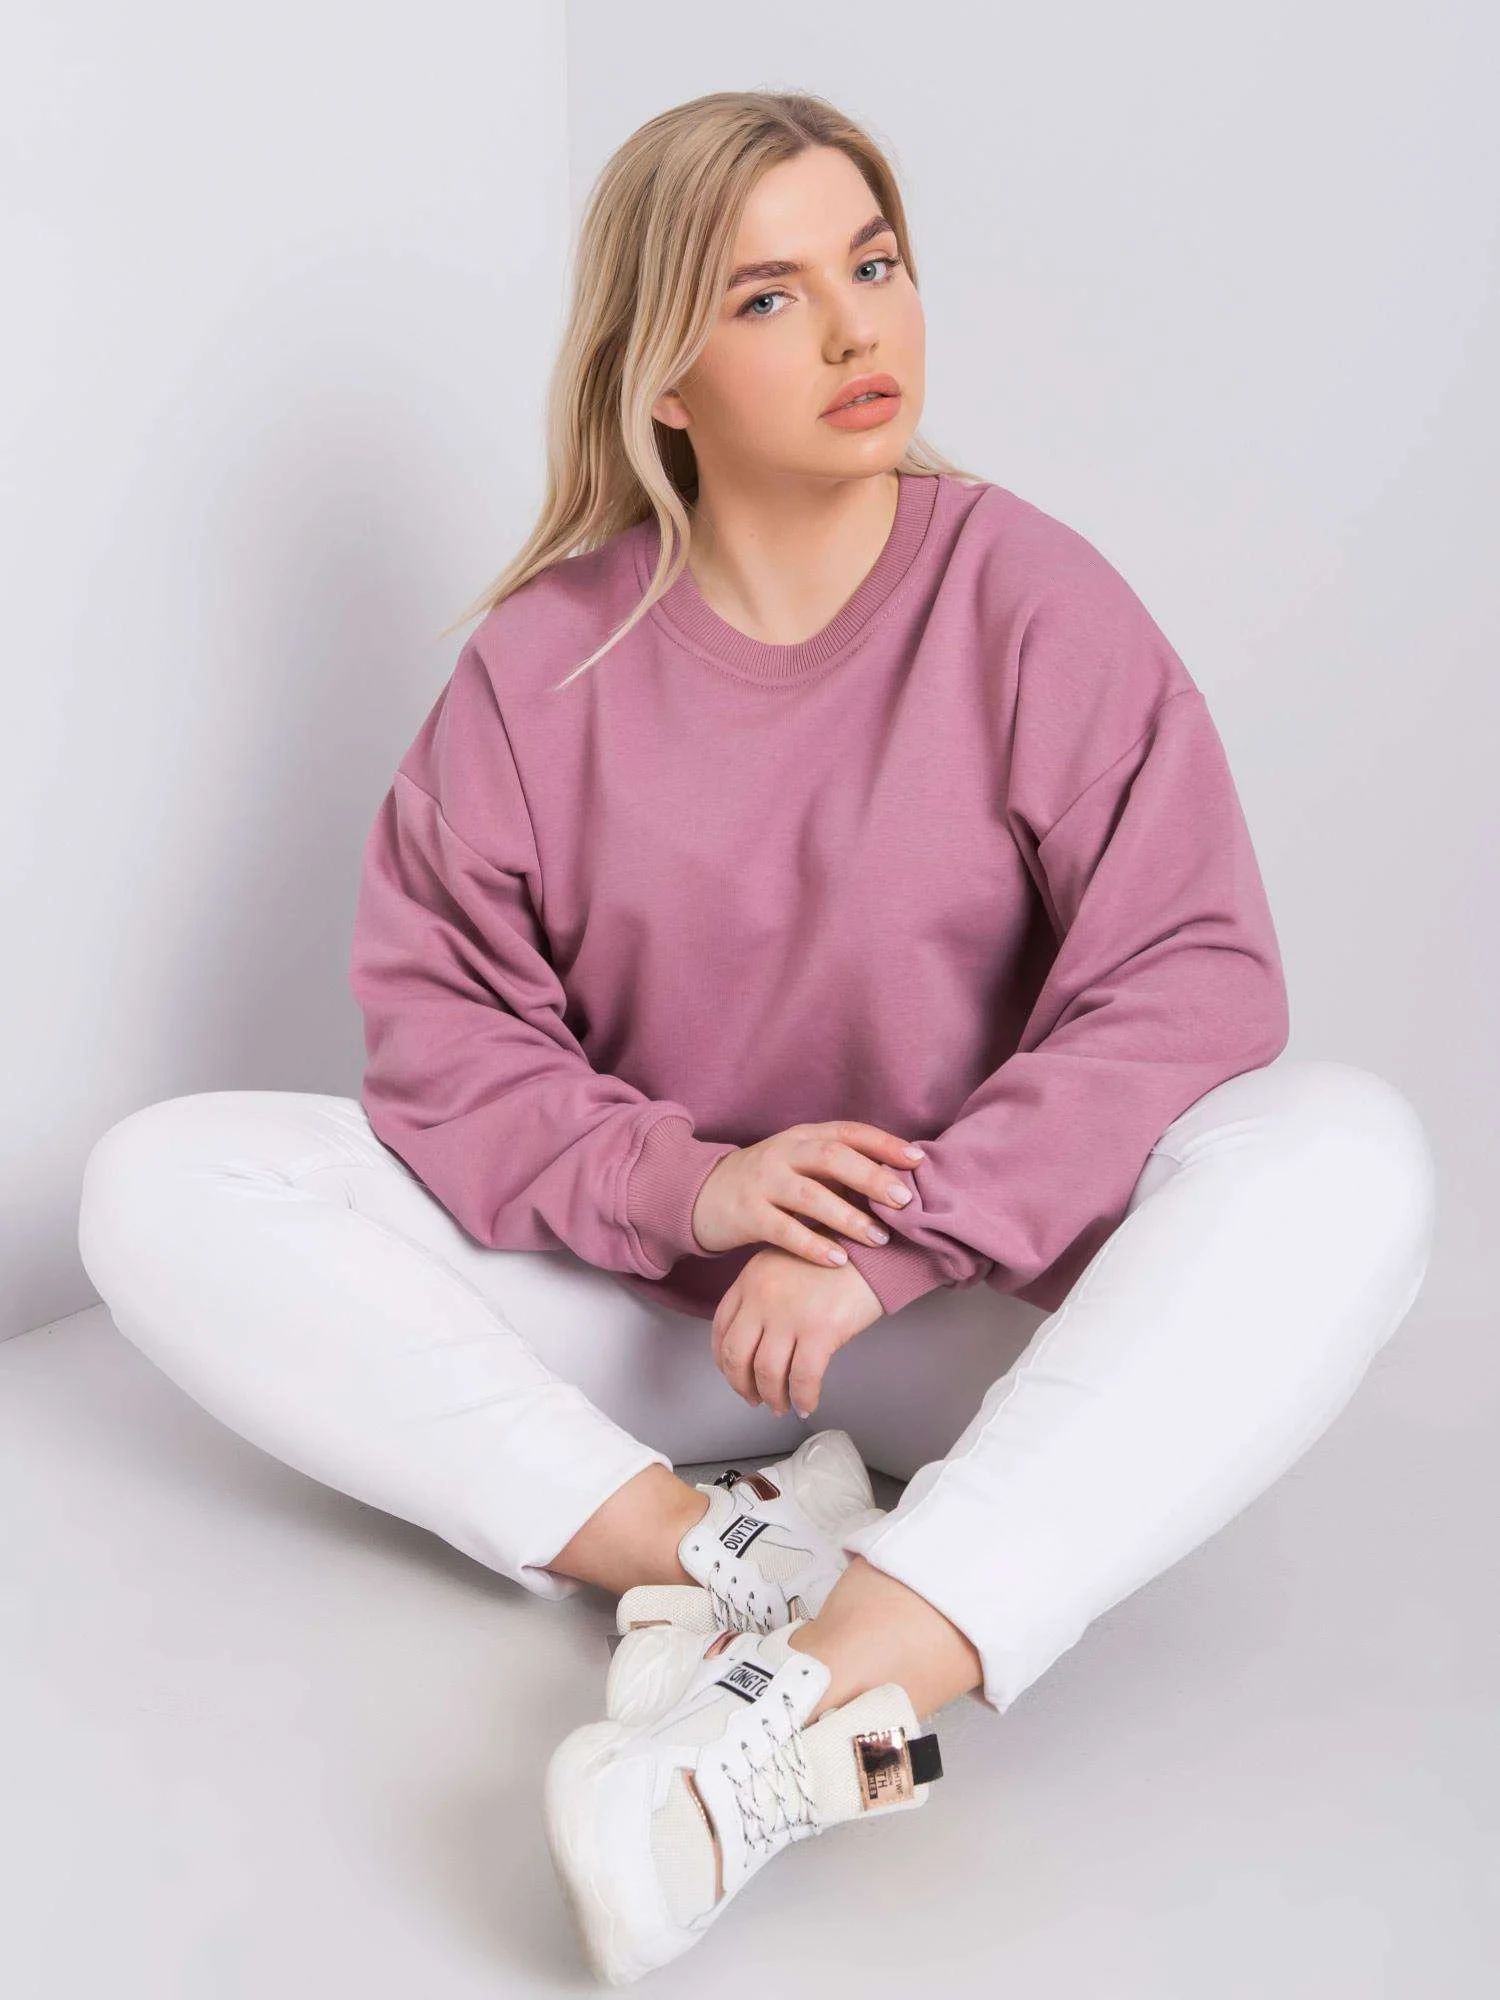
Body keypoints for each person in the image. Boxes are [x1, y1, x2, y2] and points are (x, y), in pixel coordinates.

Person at [76, 90, 1437, 1986]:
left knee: (1347, 1147)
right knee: (163, 1180)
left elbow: (1187, 975)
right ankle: (720, 1556)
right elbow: (448, 1041)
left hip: (965, 1328)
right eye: (771, 296)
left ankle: (792, 1714)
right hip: (659, 1331)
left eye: (873, 264)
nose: (860, 327)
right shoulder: (540, 665)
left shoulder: (1025, 597)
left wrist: (891, 1240)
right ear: (663, 374)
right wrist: (697, 1188)